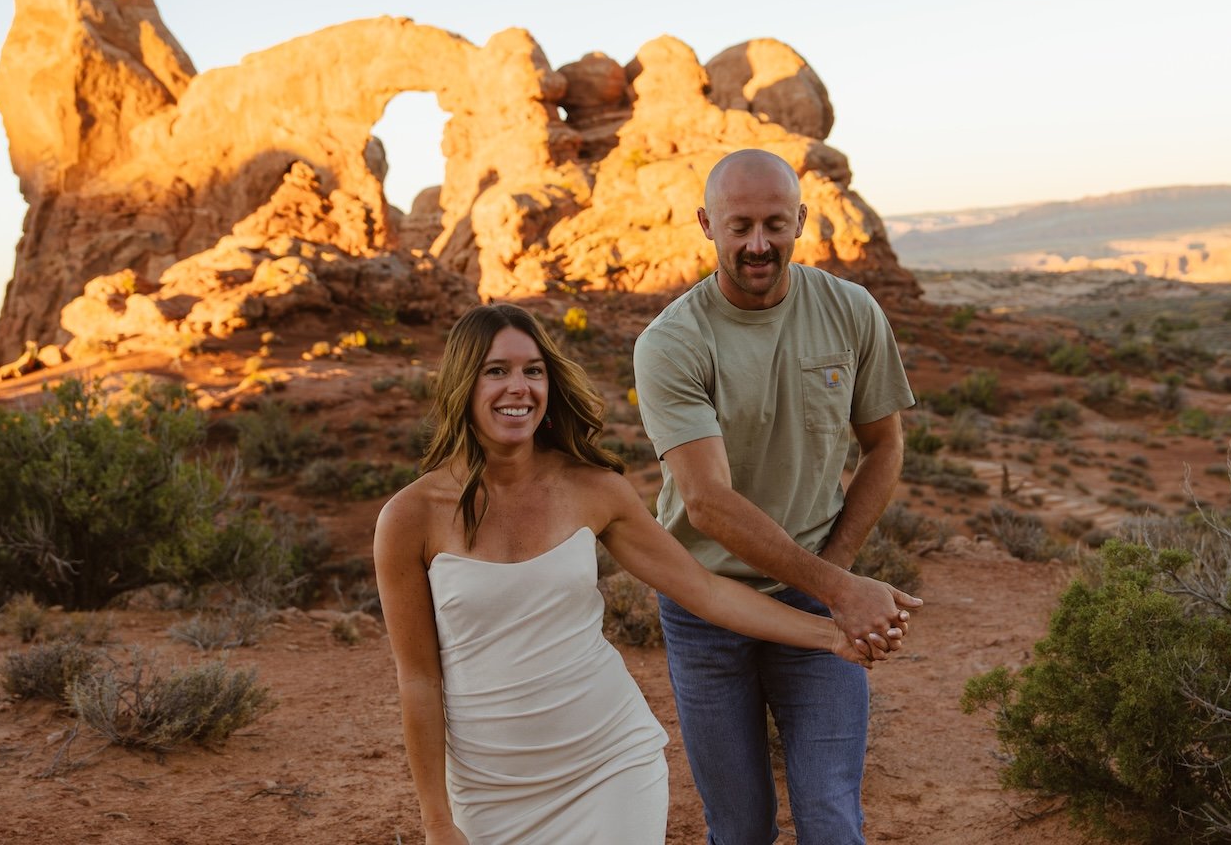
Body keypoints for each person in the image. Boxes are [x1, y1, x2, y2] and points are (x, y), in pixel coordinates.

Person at [373, 303, 900, 845]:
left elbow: (705, 590)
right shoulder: (409, 518)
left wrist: (832, 634)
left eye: (533, 371)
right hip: (488, 787)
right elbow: (419, 679)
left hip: (609, 762)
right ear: (463, 383)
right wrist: (437, 821)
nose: (519, 388)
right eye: (496, 371)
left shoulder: (593, 489)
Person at [632, 148, 922, 844]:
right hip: (706, 605)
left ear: (800, 219)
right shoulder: (672, 342)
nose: (757, 244)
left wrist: (835, 577)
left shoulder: (850, 311)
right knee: (740, 829)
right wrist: (841, 586)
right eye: (739, 226)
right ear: (707, 224)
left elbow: (884, 446)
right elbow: (705, 503)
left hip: (814, 593)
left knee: (830, 818)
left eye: (773, 223)